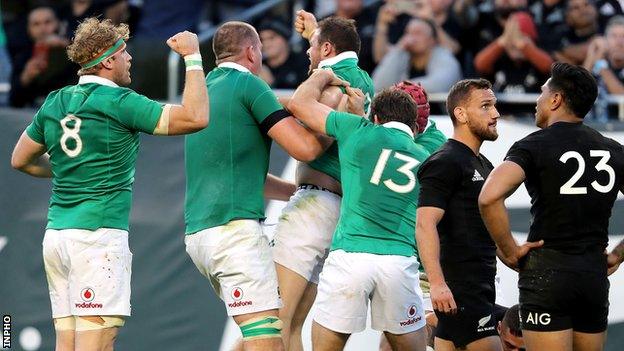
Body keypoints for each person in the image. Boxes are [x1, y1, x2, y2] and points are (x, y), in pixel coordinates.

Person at [10, 18, 209, 351]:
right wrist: (192, 57)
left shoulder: (56, 100)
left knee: (67, 344)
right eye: (124, 52)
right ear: (107, 60)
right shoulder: (121, 102)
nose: (129, 58)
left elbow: (20, 159)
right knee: (96, 346)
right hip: (96, 240)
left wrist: (63, 168)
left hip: (58, 237)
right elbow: (196, 117)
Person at [183, 21, 330, 351]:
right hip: (234, 235)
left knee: (262, 332)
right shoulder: (249, 85)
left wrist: (294, 193)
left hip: (200, 236)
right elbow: (305, 148)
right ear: (251, 51)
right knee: (268, 342)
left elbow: (241, 174)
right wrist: (337, 127)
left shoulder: (204, 90)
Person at [479, 62, 624, 351]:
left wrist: (508, 250)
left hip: (547, 274)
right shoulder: (612, 149)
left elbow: (489, 196)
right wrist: (619, 254)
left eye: (542, 93)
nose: (538, 100)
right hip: (593, 274)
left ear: (556, 100)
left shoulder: (533, 146)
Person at [288, 69, 431, 351]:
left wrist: (322, 75)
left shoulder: (357, 130)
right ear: (413, 126)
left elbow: (299, 104)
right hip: (399, 262)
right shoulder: (427, 159)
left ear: (375, 118)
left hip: (350, 257)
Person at [271, 13, 375, 351]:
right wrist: (315, 33)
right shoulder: (363, 79)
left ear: (327, 49)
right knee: (293, 327)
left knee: (274, 322)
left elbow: (314, 109)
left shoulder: (332, 78)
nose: (306, 52)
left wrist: (262, 100)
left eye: (313, 47)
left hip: (313, 206)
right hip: (336, 210)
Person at [416, 78, 503, 351]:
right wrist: (438, 285)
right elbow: (424, 223)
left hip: (478, 285)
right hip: (461, 289)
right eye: (486, 106)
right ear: (461, 114)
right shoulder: (446, 161)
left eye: (494, 105)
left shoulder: (483, 164)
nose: (496, 113)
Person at [372, 17, 461, 93]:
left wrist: (402, 87)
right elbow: (379, 85)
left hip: (438, 112)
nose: (411, 38)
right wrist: (398, 50)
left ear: (432, 40)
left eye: (418, 33)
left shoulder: (445, 58)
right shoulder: (402, 56)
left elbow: (440, 84)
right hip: (406, 112)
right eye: (408, 33)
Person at [9, 6, 75, 107]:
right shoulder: (23, 56)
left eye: (47, 22)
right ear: (29, 29)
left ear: (58, 23)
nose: (42, 29)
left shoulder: (72, 46)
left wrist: (66, 44)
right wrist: (26, 77)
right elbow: (14, 101)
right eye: (36, 24)